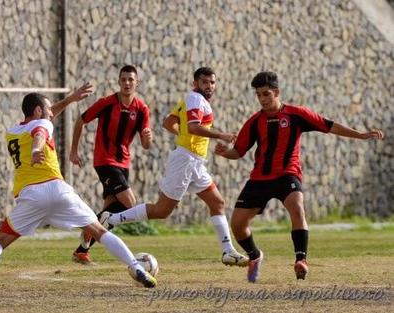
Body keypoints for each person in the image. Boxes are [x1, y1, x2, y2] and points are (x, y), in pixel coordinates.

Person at [0, 84, 157, 291]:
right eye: (48, 108)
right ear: (38, 111)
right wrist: (37, 149)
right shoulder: (43, 125)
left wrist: (70, 99)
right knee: (98, 231)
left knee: (0, 241)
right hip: (57, 190)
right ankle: (137, 268)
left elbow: (43, 120)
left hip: (31, 197)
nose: (52, 112)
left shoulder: (12, 132)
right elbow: (40, 133)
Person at [214, 71, 384, 283]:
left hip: (288, 175)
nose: (262, 99)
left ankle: (301, 260)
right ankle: (255, 255)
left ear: (276, 92)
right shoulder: (255, 122)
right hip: (260, 179)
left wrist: (360, 134)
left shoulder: (296, 115)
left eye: (266, 94)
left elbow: (328, 125)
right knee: (238, 225)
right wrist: (224, 152)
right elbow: (238, 152)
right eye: (258, 95)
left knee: (297, 206)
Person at [100, 67, 249, 267]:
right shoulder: (196, 99)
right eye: (204, 82)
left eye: (212, 82)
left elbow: (168, 123)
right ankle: (112, 219)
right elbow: (194, 127)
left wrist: (185, 136)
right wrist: (219, 135)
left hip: (194, 162)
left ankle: (228, 251)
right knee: (162, 211)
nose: (209, 86)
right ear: (195, 83)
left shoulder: (193, 100)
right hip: (186, 161)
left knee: (218, 203)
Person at [69, 65, 153, 264]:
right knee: (129, 203)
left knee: (109, 208)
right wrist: (73, 151)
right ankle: (91, 227)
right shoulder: (106, 103)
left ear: (137, 83)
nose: (127, 83)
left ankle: (82, 249)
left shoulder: (141, 109)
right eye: (123, 79)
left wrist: (148, 137)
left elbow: (146, 144)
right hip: (104, 161)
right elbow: (80, 121)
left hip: (123, 163)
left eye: (130, 80)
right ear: (118, 82)